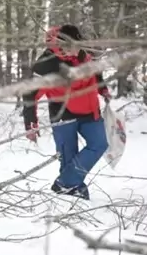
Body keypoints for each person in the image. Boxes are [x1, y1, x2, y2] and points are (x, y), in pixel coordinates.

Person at [21, 24, 109, 200]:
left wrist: (103, 90)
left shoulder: (86, 55)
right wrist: (31, 122)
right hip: (63, 115)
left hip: (90, 112)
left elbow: (96, 74)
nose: (74, 50)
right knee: (68, 157)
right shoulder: (45, 64)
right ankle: (70, 194)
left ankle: (65, 184)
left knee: (99, 144)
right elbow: (30, 94)